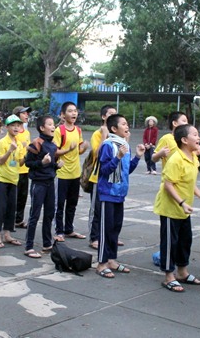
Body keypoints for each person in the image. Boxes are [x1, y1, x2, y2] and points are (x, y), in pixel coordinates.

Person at [154, 124, 200, 291]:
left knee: (185, 241)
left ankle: (182, 272)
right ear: (185, 140)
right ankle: (169, 276)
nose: (199, 137)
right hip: (170, 209)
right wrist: (182, 202)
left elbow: (189, 182)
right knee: (170, 243)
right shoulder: (176, 159)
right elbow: (168, 184)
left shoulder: (193, 157)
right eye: (195, 134)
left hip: (184, 209)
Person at [95, 114, 145, 278]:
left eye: (127, 123)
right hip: (108, 193)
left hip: (120, 194)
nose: (127, 126)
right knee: (106, 229)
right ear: (114, 128)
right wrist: (117, 157)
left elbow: (126, 170)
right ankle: (101, 264)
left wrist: (137, 156)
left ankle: (111, 260)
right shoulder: (108, 145)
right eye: (123, 124)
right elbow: (104, 170)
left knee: (115, 229)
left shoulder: (124, 145)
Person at [23, 115, 61, 258]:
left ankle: (47, 243)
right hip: (38, 183)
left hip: (50, 183)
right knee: (35, 214)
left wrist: (56, 166)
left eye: (53, 124)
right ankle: (29, 246)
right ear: (41, 128)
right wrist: (42, 163)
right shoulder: (36, 144)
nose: (53, 127)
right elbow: (28, 163)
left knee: (49, 214)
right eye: (50, 124)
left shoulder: (53, 145)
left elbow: (50, 165)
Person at [53, 101, 88, 241]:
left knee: (72, 203)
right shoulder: (59, 131)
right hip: (62, 173)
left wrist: (84, 148)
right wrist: (68, 149)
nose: (74, 113)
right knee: (59, 204)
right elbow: (54, 151)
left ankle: (69, 229)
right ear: (63, 114)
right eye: (70, 111)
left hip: (75, 173)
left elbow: (78, 151)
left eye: (75, 111)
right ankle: (59, 231)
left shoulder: (78, 130)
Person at [0, 114, 26, 248]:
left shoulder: (19, 143)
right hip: (2, 178)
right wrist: (10, 150)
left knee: (11, 207)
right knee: (0, 207)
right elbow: (0, 161)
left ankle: (7, 234)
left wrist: (29, 154)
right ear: (7, 127)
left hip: (14, 178)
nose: (16, 128)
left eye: (18, 125)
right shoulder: (2, 142)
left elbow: (20, 162)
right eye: (13, 125)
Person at [88, 105, 116, 250]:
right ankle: (94, 237)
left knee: (111, 210)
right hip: (98, 177)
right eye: (110, 114)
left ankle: (109, 236)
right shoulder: (97, 134)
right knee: (96, 210)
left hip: (113, 178)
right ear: (103, 117)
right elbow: (97, 154)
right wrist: (104, 136)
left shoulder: (117, 135)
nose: (114, 116)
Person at [13, 106, 32, 228]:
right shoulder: (13, 132)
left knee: (23, 196)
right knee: (13, 196)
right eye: (24, 113)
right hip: (15, 168)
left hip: (25, 168)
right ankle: (9, 219)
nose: (27, 115)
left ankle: (19, 220)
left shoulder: (27, 132)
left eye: (27, 113)